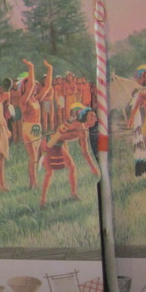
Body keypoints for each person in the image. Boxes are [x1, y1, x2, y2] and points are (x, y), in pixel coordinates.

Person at [39, 105, 98, 208]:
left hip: (55, 143)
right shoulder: (80, 127)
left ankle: (71, 194)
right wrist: (93, 168)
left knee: (67, 168)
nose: (94, 118)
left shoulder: (82, 128)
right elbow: (85, 152)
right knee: (52, 171)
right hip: (51, 143)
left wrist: (64, 146)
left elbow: (63, 132)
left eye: (94, 116)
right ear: (85, 117)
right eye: (91, 116)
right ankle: (43, 201)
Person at [19, 58, 52, 189]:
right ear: (25, 87)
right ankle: (33, 183)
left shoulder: (36, 99)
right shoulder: (24, 99)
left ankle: (33, 183)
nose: (33, 87)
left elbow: (48, 86)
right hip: (29, 127)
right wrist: (31, 67)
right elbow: (32, 85)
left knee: (35, 156)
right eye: (29, 85)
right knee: (33, 156)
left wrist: (49, 69)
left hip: (36, 127)